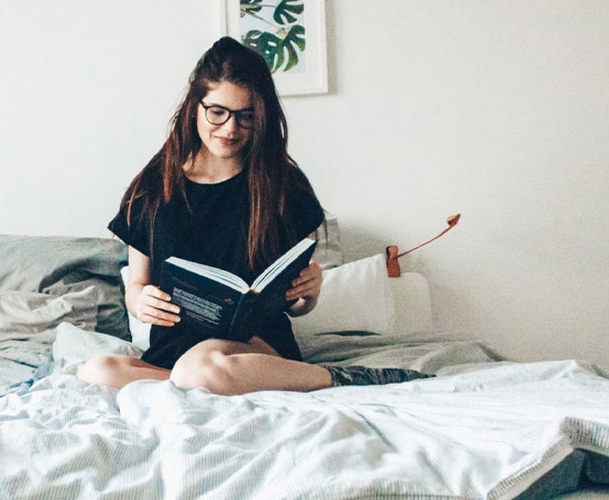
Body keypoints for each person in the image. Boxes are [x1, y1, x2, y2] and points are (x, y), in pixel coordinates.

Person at [77, 37, 429, 395]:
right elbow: (136, 288)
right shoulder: (156, 185)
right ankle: (190, 383)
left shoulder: (283, 185)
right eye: (217, 112)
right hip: (174, 352)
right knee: (97, 370)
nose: (230, 129)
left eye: (246, 117)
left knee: (199, 367)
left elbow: (298, 305)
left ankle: (335, 378)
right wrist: (141, 302)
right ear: (193, 106)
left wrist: (309, 292)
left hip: (257, 346)